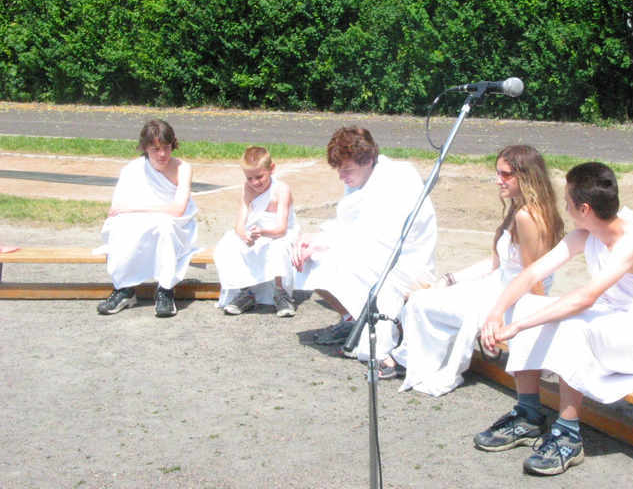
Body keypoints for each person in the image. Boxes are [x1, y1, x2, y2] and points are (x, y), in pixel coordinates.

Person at [476, 162, 633, 476]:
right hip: (613, 326)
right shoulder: (589, 233)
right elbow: (533, 272)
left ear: (585, 209)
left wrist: (516, 327)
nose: (565, 208)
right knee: (529, 305)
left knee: (570, 325)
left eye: (568, 202)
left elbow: (585, 297)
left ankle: (568, 435)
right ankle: (528, 414)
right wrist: (496, 313)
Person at [388, 145, 563, 390]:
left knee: (419, 301)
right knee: (421, 294)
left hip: (512, 298)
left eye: (505, 174)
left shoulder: (527, 216)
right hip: (498, 286)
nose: (498, 180)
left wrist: (537, 321)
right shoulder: (520, 208)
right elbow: (497, 262)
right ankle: (412, 358)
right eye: (497, 173)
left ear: (527, 176)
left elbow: (532, 276)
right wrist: (450, 279)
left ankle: (409, 361)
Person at [292, 127, 437, 364]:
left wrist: (322, 244)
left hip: (405, 266)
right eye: (339, 170)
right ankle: (352, 319)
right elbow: (348, 225)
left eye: (346, 170)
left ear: (368, 160)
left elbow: (376, 240)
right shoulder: (364, 176)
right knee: (304, 255)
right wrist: (313, 239)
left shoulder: (397, 179)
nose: (341, 176)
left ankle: (386, 328)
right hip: (374, 253)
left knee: (329, 259)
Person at [96, 119, 199, 318]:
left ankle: (165, 290)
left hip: (176, 224)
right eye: (156, 149)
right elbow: (117, 210)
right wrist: (133, 212)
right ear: (145, 147)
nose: (162, 154)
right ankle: (124, 289)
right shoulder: (132, 170)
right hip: (142, 220)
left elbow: (178, 210)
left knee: (164, 226)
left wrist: (136, 209)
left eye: (167, 147)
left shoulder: (183, 168)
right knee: (119, 227)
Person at [213, 146, 298, 317]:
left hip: (279, 233)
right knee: (229, 244)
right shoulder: (247, 188)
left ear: (271, 169)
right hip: (256, 231)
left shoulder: (281, 189)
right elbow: (239, 224)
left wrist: (263, 232)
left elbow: (282, 228)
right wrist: (245, 236)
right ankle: (246, 292)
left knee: (278, 248)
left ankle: (281, 293)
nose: (255, 183)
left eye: (259, 177)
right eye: (249, 178)